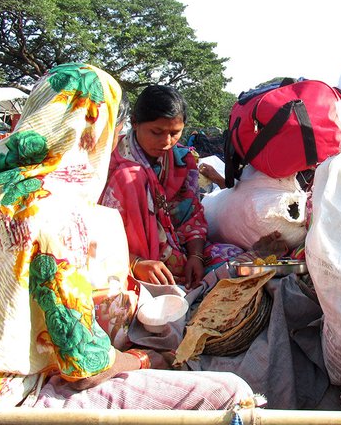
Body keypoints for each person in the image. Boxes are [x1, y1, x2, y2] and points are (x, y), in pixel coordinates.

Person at [0, 63, 253, 410]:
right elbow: (85, 368)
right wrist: (147, 359)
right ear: (98, 131)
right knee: (227, 392)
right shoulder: (53, 210)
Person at [100, 85, 242, 290]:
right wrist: (135, 262)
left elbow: (192, 215)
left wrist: (196, 255)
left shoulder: (182, 160)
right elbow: (97, 231)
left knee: (234, 261)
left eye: (175, 133)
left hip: (177, 252)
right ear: (134, 123)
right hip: (124, 257)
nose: (166, 142)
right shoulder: (110, 162)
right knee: (130, 177)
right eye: (156, 132)